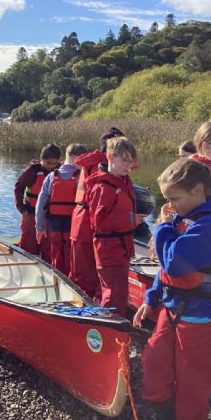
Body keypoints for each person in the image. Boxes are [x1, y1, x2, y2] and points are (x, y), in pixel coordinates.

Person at [133, 158, 211, 420]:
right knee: (154, 364)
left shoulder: (210, 225)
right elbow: (165, 271)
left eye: (174, 198)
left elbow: (175, 262)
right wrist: (151, 298)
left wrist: (163, 227)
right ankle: (165, 419)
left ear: (197, 190)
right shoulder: (184, 218)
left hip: (202, 317)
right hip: (172, 309)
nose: (169, 205)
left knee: (194, 383)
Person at [85, 136, 142, 316]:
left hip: (122, 246)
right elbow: (99, 222)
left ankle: (108, 319)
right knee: (114, 293)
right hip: (109, 248)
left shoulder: (122, 180)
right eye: (124, 160)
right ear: (110, 157)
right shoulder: (103, 187)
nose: (128, 165)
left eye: (131, 161)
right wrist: (131, 220)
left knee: (117, 291)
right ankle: (109, 325)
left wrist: (133, 219)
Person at [70, 127, 125, 298]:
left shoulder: (91, 161)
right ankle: (90, 309)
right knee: (90, 276)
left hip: (79, 220)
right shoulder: (105, 166)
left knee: (81, 274)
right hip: (91, 223)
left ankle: (85, 304)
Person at [35, 144, 87, 276]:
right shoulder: (82, 177)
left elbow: (40, 204)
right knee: (72, 255)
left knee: (56, 253)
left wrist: (40, 227)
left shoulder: (51, 176)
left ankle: (57, 278)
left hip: (54, 223)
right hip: (73, 224)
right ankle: (71, 281)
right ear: (79, 159)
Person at [14, 144, 61, 262]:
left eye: (55, 163)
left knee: (48, 248)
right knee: (28, 245)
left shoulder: (60, 171)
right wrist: (21, 209)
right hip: (30, 213)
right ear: (41, 160)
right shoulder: (32, 171)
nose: (52, 166)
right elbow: (18, 188)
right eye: (49, 163)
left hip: (49, 217)